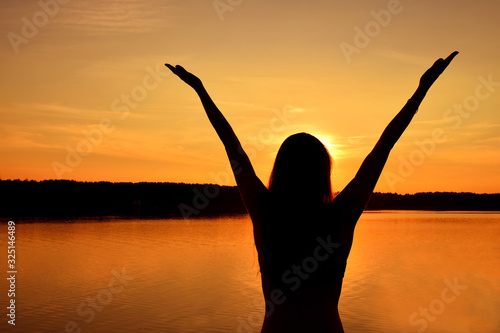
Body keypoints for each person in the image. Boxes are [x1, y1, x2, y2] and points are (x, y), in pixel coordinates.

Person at [165, 51, 458, 333]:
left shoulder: (265, 211)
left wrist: (201, 91)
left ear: (280, 171)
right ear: (323, 174)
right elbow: (382, 149)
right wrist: (421, 91)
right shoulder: (340, 216)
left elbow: (233, 148)